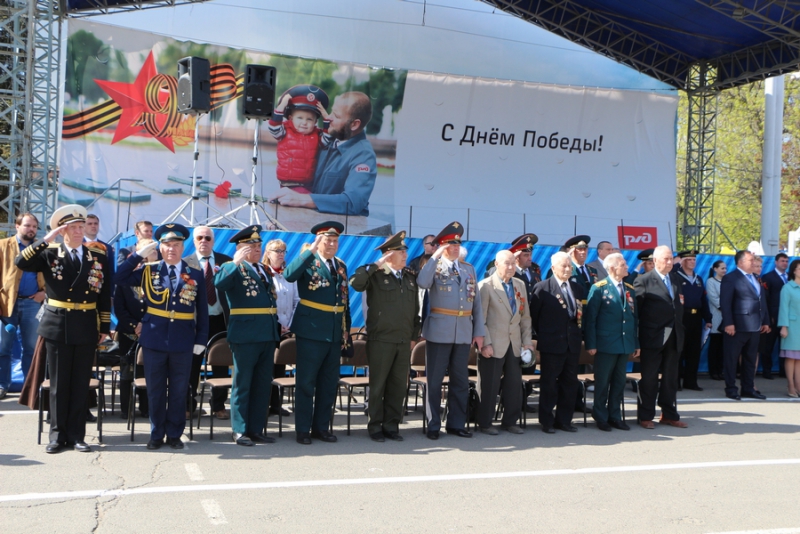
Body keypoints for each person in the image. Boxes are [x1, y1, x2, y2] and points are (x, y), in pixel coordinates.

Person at [15, 205, 112, 453]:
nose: (79, 232)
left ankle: (77, 435)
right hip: (57, 323)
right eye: (73, 228)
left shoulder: (97, 257)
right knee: (58, 384)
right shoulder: (50, 253)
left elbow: (104, 294)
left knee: (80, 383)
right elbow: (20, 262)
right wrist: (46, 239)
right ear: (62, 231)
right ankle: (57, 436)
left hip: (86, 324)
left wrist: (104, 325)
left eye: (81, 227)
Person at [115, 223, 209, 450]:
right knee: (155, 390)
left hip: (183, 340)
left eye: (176, 245)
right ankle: (156, 434)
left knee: (178, 390)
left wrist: (200, 340)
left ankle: (175, 434)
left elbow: (202, 310)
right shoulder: (150, 270)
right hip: (154, 339)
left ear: (183, 246)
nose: (171, 249)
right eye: (167, 245)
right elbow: (119, 277)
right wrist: (138, 256)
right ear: (161, 247)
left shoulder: (194, 274)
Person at [283, 221, 352, 445]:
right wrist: (310, 251)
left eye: (335, 241)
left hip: (333, 332)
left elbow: (344, 301)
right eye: (327, 240)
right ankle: (303, 429)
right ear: (318, 241)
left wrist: (345, 332)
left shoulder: (340, 265)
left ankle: (321, 427)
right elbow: (289, 275)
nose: (331, 244)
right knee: (306, 382)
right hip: (311, 331)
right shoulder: (308, 261)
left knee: (328, 382)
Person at [416, 221, 485, 440]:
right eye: (450, 245)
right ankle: (433, 424)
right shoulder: (433, 267)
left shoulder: (468, 269)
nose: (455, 248)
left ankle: (456, 423)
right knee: (435, 381)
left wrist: (479, 331)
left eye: (457, 244)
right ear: (441, 247)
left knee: (460, 381)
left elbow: (477, 304)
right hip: (440, 331)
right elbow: (422, 282)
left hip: (464, 331)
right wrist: (435, 256)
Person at [349, 231, 420, 442]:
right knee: (378, 385)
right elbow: (356, 282)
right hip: (381, 340)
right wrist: (379, 263)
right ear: (389, 254)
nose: (405, 254)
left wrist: (414, 336)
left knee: (398, 386)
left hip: (403, 340)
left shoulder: (409, 277)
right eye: (400, 250)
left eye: (405, 250)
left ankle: (391, 426)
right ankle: (375, 427)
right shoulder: (375, 275)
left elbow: (415, 310)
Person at [215, 225, 280, 446]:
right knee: (243, 383)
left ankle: (256, 428)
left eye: (259, 245)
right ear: (240, 248)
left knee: (263, 384)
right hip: (245, 334)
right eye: (251, 246)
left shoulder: (263, 269)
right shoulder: (231, 267)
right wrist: (235, 262)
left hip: (267, 333)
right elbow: (220, 284)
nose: (257, 249)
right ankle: (240, 430)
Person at [270, 91, 376, 216]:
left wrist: (300, 199)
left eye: (336, 116)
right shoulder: (325, 140)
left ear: (354, 124)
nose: (328, 118)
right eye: (331, 112)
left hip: (340, 231)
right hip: (311, 222)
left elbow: (353, 202)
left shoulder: (363, 154)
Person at [476, 250, 532, 435]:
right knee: (489, 385)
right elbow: (480, 319)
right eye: (506, 263)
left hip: (514, 343)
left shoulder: (519, 285)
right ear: (497, 265)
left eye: (513, 264)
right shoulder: (485, 286)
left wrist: (527, 342)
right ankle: (485, 423)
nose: (511, 267)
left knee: (513, 385)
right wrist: (485, 343)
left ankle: (510, 421)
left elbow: (525, 317)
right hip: (494, 343)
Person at [583, 253, 639, 431]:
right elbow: (590, 319)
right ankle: (600, 416)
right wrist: (591, 344)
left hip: (623, 343)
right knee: (602, 382)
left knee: (619, 381)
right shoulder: (599, 288)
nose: (627, 267)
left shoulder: (629, 289)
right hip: (605, 344)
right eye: (623, 264)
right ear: (613, 268)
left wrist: (635, 343)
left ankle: (615, 415)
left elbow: (633, 319)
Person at [530, 251, 584, 433]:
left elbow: (579, 316)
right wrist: (545, 336)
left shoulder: (576, 288)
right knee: (549, 384)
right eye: (564, 266)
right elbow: (534, 317)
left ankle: (564, 420)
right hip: (552, 344)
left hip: (572, 344)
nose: (568, 269)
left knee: (570, 384)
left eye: (570, 265)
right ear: (553, 268)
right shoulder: (543, 288)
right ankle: (546, 421)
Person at [183, 226, 232, 420]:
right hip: (195, 323)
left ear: (213, 241)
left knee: (220, 364)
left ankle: (218, 405)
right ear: (194, 241)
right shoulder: (185, 264)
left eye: (207, 238)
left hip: (220, 320)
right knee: (192, 365)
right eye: (199, 238)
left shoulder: (226, 262)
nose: (203, 241)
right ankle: (188, 405)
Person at [634, 245, 686, 429]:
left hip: (673, 336)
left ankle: (669, 414)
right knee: (649, 378)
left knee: (671, 378)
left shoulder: (676, 279)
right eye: (666, 259)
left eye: (671, 258)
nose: (670, 262)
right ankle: (646, 416)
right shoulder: (644, 281)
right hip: (652, 337)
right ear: (655, 261)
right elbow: (637, 313)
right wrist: (637, 339)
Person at [0, 213, 46, 398]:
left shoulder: (42, 249)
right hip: (7, 304)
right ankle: (2, 385)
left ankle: (30, 388)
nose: (31, 229)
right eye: (27, 225)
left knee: (32, 348)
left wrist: (45, 293)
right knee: (3, 347)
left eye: (34, 226)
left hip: (33, 304)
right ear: (17, 226)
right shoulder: (3, 246)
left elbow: (54, 276)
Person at [720, 250, 770, 400]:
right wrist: (728, 323)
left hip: (755, 326)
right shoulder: (731, 278)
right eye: (750, 260)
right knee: (731, 358)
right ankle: (731, 389)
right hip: (737, 326)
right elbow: (725, 302)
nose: (754, 262)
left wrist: (766, 321)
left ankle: (748, 388)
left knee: (750, 359)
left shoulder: (756, 278)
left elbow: (762, 301)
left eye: (754, 260)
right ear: (740, 262)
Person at [115, 238, 156, 419]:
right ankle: (126, 408)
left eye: (153, 251)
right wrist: (135, 326)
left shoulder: (159, 275)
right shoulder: (128, 277)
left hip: (152, 331)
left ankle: (147, 408)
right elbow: (120, 309)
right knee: (128, 371)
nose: (149, 255)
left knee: (148, 371)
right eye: (145, 251)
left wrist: (146, 325)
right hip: (128, 333)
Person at [268, 85, 331, 193]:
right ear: (290, 119)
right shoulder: (285, 131)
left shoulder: (317, 135)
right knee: (308, 199)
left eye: (309, 119)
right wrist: (282, 105)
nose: (304, 122)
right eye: (300, 118)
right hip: (290, 183)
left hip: (310, 183)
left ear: (315, 122)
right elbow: (274, 127)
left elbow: (328, 139)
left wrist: (326, 118)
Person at [262, 238, 298, 417]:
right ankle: (265, 403)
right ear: (268, 253)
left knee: (280, 367)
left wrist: (289, 325)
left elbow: (297, 300)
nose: (281, 254)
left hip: (287, 328)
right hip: (269, 328)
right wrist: (277, 324)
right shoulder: (264, 273)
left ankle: (277, 404)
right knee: (266, 367)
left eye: (283, 251)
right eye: (277, 251)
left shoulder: (288, 274)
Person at [675, 250, 712, 391]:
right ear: (682, 261)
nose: (692, 262)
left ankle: (691, 382)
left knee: (694, 351)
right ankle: (675, 381)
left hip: (696, 317)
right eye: (689, 259)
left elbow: (703, 300)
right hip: (681, 316)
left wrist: (707, 318)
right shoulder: (676, 276)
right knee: (679, 350)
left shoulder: (698, 279)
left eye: (694, 259)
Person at [760, 252, 789, 379]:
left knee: (785, 346)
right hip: (773, 317)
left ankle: (784, 371)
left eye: (786, 261)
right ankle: (767, 371)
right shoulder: (768, 277)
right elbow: (765, 299)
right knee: (768, 346)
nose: (785, 263)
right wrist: (768, 316)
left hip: (787, 318)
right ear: (776, 262)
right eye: (782, 261)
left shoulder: (791, 277)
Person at [778, 259, 800, 397]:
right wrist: (784, 327)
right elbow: (783, 308)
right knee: (791, 357)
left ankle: (798, 384)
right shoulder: (787, 287)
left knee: (799, 358)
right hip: (792, 326)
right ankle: (790, 385)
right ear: (794, 271)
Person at [705, 260, 728, 381]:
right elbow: (714, 298)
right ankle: (713, 371)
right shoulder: (711, 281)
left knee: (723, 347)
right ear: (715, 269)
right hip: (716, 317)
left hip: (727, 318)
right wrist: (727, 308)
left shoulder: (728, 281)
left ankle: (721, 370)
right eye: (722, 268)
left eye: (725, 268)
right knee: (715, 346)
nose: (724, 270)